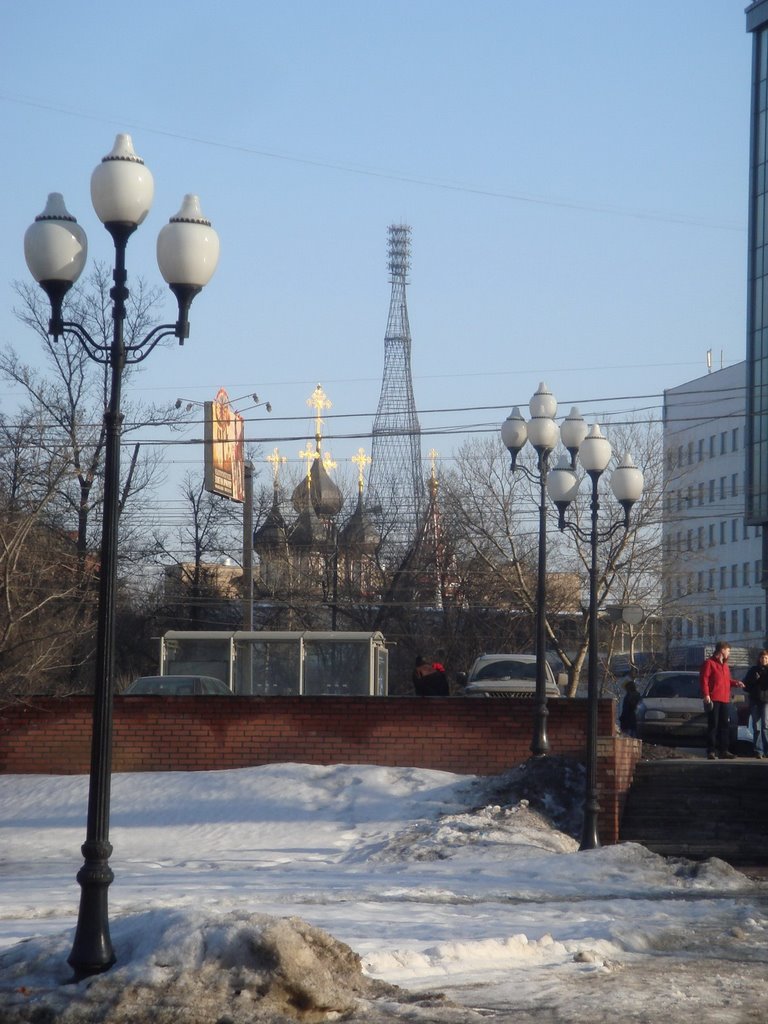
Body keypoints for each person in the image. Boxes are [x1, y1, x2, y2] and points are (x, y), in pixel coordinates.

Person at [699, 641, 745, 760]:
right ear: (722, 650)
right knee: (713, 724)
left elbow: (726, 681)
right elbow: (704, 679)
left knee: (725, 725)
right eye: (728, 650)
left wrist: (736, 683)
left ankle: (724, 750)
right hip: (714, 698)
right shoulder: (709, 663)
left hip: (725, 698)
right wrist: (706, 694)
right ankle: (711, 751)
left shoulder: (725, 665)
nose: (729, 653)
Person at [743, 649, 768, 758]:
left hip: (766, 701)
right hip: (755, 700)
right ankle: (758, 751)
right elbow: (745, 685)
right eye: (762, 658)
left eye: (766, 658)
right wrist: (754, 680)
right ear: (759, 659)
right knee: (756, 726)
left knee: (766, 725)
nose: (764, 660)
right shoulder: (753, 670)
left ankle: (766, 750)